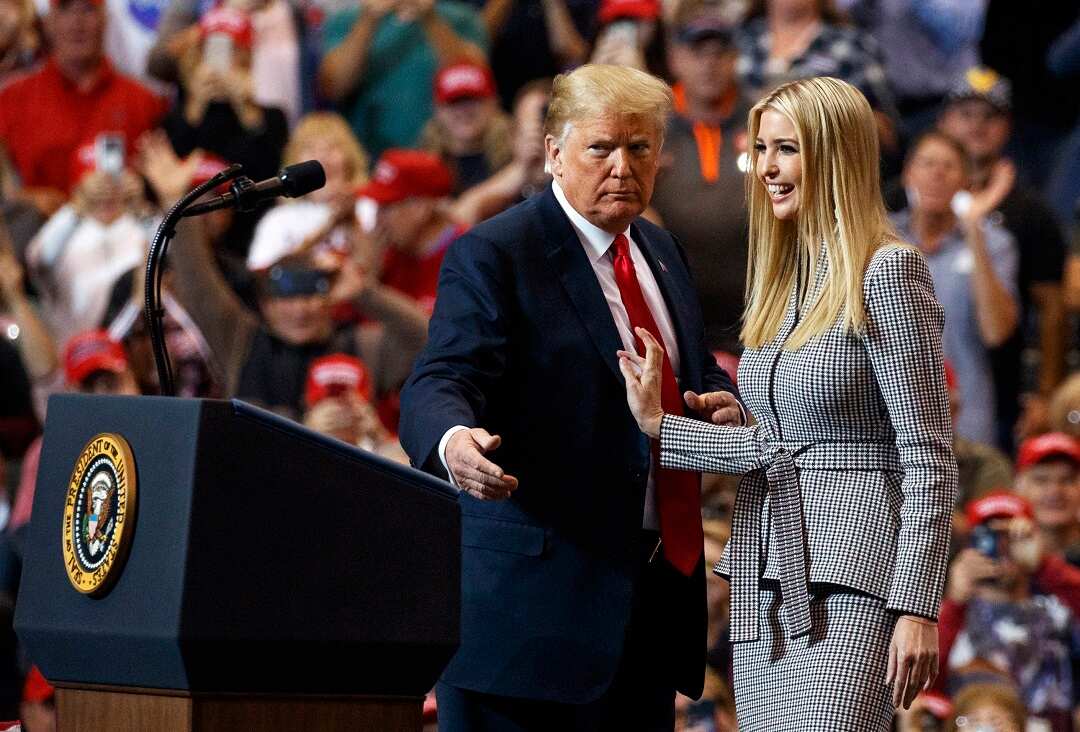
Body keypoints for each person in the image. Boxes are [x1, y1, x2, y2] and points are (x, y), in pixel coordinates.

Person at [399, 64, 741, 728]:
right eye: (601, 148)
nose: (622, 167)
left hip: (648, 614)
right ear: (555, 153)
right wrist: (453, 441)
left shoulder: (662, 249)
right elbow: (441, 377)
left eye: (638, 148)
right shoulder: (497, 252)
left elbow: (695, 368)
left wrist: (720, 399)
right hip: (528, 625)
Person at [620, 76, 957, 729]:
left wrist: (917, 606)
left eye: (788, 149)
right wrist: (685, 423)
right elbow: (776, 445)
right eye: (761, 149)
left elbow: (929, 458)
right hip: (764, 574)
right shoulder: (782, 279)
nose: (767, 168)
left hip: (858, 577)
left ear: (835, 155)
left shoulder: (887, 270)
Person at [890, 131, 1019, 448]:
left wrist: (974, 228)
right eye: (927, 163)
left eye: (949, 166)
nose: (937, 174)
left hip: (967, 419)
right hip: (887, 413)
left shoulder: (996, 244)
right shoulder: (880, 237)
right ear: (907, 174)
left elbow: (997, 332)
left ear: (965, 181)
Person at [0, 0, 165, 215]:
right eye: (65, 9)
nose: (77, 22)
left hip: (125, 230)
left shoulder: (145, 102)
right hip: (40, 231)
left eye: (88, 9)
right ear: (49, 21)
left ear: (105, 19)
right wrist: (23, 200)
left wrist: (142, 194)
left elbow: (163, 189)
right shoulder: (12, 100)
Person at [650, 1, 748, 353]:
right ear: (675, 58)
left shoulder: (765, 121)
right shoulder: (650, 126)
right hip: (672, 316)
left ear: (735, 58)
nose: (709, 63)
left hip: (755, 316)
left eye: (719, 52)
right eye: (697, 51)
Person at [938, 492, 1080, 730]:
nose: (1002, 548)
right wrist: (955, 602)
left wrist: (1043, 564)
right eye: (989, 537)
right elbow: (923, 683)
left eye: (1013, 537)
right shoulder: (955, 612)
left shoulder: (1057, 605)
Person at [317, 0, 487, 159]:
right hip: (369, 157)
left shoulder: (462, 18)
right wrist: (368, 19)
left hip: (448, 158)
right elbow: (334, 88)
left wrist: (430, 19)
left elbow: (475, 80)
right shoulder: (344, 20)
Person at [420, 60, 512, 195]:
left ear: (494, 103)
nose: (463, 110)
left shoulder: (518, 153)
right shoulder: (420, 166)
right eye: (454, 102)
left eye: (472, 100)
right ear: (437, 110)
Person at [1012, 432, 1080, 565]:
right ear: (1019, 488)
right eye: (1041, 480)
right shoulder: (1003, 556)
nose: (1055, 491)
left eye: (1067, 480)